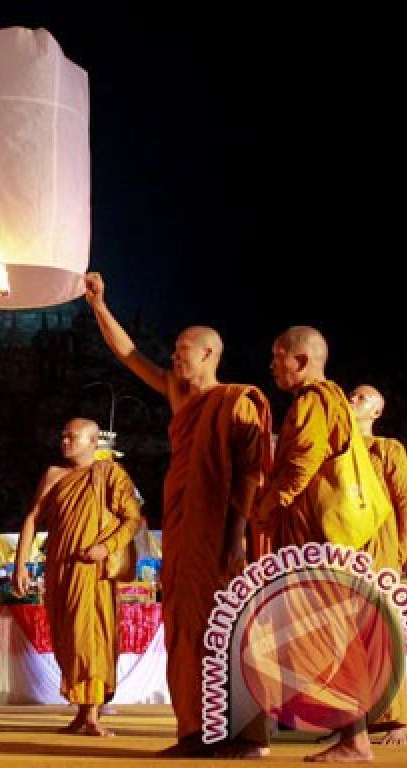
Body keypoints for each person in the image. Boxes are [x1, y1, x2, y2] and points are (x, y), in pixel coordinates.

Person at [83, 273, 272, 757]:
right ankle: (194, 730)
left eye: (182, 348)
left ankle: (245, 736)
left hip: (222, 533)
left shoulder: (235, 402)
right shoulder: (179, 395)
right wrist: (100, 306)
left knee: (230, 626)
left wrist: (235, 535)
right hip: (186, 531)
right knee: (186, 629)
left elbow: (250, 474)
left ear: (208, 353)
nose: (174, 356)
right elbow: (128, 356)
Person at [255, 326, 376, 763]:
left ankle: (355, 740)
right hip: (318, 539)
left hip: (316, 540)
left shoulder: (314, 401)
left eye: (278, 355)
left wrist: (268, 506)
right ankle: (347, 731)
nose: (272, 365)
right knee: (327, 632)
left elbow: (302, 462)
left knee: (327, 633)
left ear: (301, 361)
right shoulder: (327, 401)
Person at [13, 418, 140, 737]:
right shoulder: (53, 475)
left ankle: (92, 714)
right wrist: (21, 564)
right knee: (67, 640)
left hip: (91, 571)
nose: (65, 441)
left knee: (90, 639)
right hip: (59, 568)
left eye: (73, 437)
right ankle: (82, 712)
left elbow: (132, 519)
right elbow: (32, 518)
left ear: (93, 442)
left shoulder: (110, 474)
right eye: (63, 435)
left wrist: (106, 547)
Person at [348, 384, 407, 746]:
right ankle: (351, 722)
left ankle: (395, 721)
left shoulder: (386, 450)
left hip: (378, 553)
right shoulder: (335, 450)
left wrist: (404, 546)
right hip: (340, 556)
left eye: (362, 398)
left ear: (377, 411)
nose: (352, 400)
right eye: (352, 395)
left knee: (383, 636)